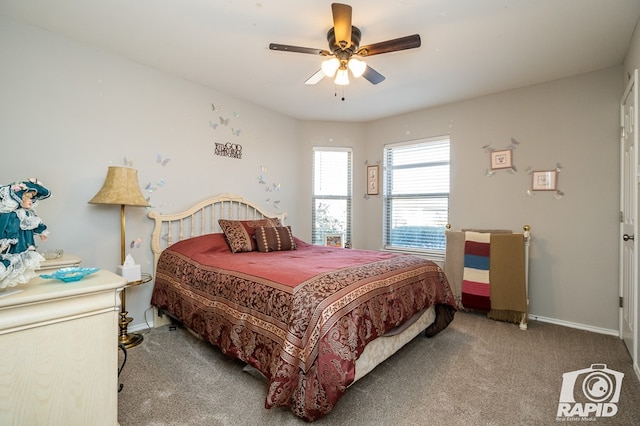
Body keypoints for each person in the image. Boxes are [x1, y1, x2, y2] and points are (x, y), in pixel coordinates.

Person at [0, 179, 51, 289]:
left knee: (23, 263)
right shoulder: (12, 215)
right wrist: (6, 241)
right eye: (27, 198)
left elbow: (35, 223)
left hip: (26, 242)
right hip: (16, 242)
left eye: (32, 198)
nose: (31, 201)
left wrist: (42, 232)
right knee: (10, 260)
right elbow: (8, 229)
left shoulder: (29, 212)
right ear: (18, 199)